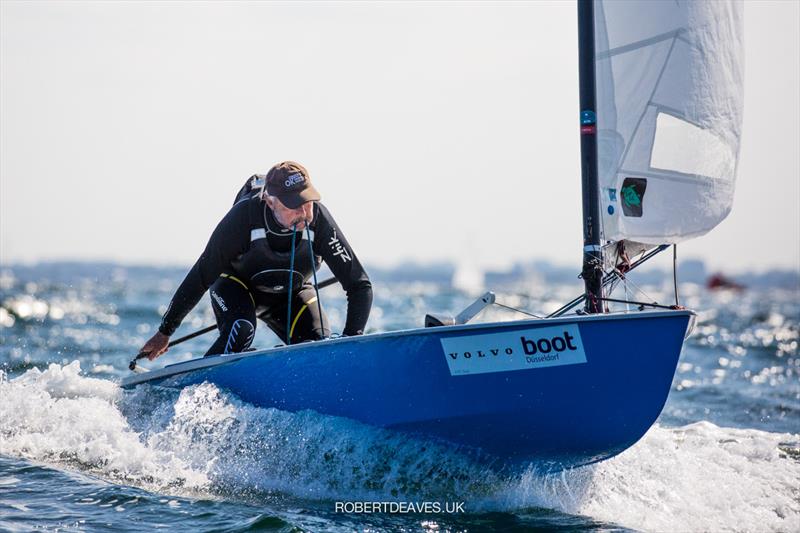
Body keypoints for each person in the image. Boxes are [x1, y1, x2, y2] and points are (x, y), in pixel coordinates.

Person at [138, 161, 372, 361]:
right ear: (270, 202)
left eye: (307, 202)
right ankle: (193, 391)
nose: (303, 212)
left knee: (317, 344)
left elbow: (359, 285)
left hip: (290, 293)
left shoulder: (319, 221)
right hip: (235, 288)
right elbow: (200, 278)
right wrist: (165, 332)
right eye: (293, 205)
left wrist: (350, 346)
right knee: (241, 329)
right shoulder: (243, 218)